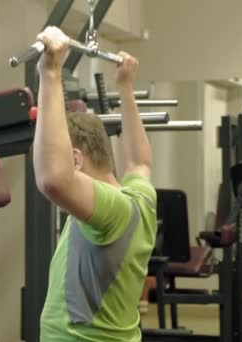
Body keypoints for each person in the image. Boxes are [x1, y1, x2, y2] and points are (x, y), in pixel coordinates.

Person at [32, 26, 157, 341]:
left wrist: (50, 73)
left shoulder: (111, 212)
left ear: (75, 160)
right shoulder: (139, 197)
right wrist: (125, 86)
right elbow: (140, 161)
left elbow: (53, 180)